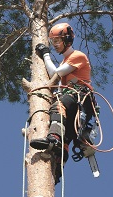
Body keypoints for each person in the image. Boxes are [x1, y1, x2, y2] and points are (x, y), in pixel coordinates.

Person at [29, 22, 94, 163]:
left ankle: (54, 139)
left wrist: (45, 54)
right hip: (72, 103)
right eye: (52, 41)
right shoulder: (64, 62)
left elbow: (55, 74)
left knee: (59, 105)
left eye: (57, 40)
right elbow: (58, 84)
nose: (55, 44)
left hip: (80, 98)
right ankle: (58, 164)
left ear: (67, 39)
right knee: (67, 133)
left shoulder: (78, 56)